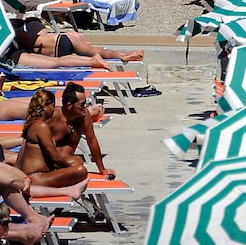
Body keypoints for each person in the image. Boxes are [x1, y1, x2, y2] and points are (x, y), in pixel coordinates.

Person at [16, 89, 90, 198]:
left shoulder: (34, 123)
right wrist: (69, 168)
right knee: (80, 170)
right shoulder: (41, 126)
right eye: (53, 106)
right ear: (45, 106)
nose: (54, 109)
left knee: (77, 160)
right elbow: (54, 157)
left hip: (37, 174)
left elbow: (22, 152)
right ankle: (70, 188)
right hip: (37, 177)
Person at [8, 16, 144, 69]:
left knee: (57, 63)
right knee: (97, 50)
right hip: (61, 39)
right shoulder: (24, 27)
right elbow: (42, 34)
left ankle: (92, 61)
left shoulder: (12, 48)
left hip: (55, 53)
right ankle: (122, 54)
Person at [49, 82, 116, 179]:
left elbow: (92, 141)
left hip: (67, 163)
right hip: (47, 163)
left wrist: (102, 169)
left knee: (78, 162)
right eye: (81, 104)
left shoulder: (84, 117)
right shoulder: (54, 117)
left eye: (86, 103)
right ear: (69, 105)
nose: (85, 107)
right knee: (78, 164)